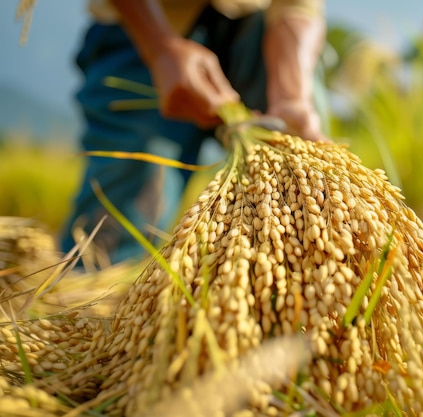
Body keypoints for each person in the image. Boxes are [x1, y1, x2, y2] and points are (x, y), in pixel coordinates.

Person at [61, 0, 328, 265]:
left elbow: (299, 5)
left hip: (258, 30)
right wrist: (160, 48)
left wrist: (292, 98)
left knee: (305, 185)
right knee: (120, 224)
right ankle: (87, 291)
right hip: (145, 20)